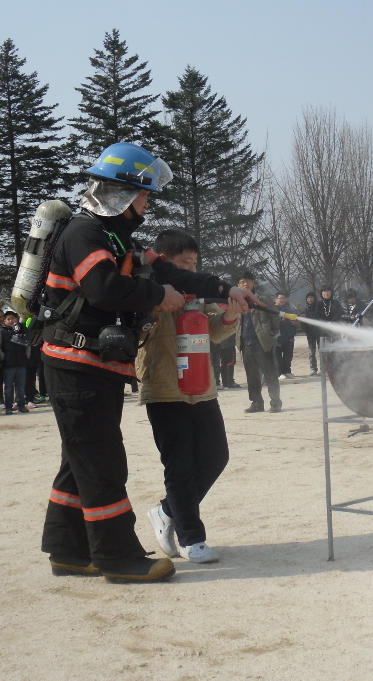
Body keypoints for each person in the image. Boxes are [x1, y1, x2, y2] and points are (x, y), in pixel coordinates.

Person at [37, 141, 257, 584]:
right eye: (144, 195)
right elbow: (102, 289)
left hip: (93, 365)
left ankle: (69, 552)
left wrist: (224, 288)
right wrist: (159, 295)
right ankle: (118, 558)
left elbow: (173, 274)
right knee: (102, 463)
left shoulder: (119, 239)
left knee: (80, 461)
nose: (147, 203)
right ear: (123, 192)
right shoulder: (85, 234)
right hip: (75, 363)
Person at [137, 229, 241, 565]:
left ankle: (166, 511)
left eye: (195, 263)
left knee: (216, 456)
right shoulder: (146, 288)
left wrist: (230, 315)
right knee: (179, 465)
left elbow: (214, 331)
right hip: (165, 388)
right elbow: (136, 330)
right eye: (185, 262)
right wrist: (159, 303)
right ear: (164, 261)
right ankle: (192, 539)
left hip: (201, 387)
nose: (192, 269)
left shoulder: (197, 293)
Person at [236, 272, 282, 414]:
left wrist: (272, 333)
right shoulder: (237, 301)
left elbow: (275, 316)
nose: (245, 284)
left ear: (253, 283)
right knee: (252, 376)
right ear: (238, 285)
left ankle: (275, 402)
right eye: (242, 282)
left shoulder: (262, 299)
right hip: (245, 343)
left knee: (270, 374)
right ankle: (256, 403)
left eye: (248, 281)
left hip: (262, 342)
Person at [0, 310, 29, 414]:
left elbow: (27, 344)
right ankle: (8, 407)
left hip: (21, 362)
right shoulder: (2, 332)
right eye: (8, 319)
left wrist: (27, 355)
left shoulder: (22, 330)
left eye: (13, 318)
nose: (11, 321)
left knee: (21, 387)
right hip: (8, 364)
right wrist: (3, 357)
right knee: (8, 387)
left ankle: (21, 406)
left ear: (16, 319)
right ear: (5, 321)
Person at [274, 291, 297, 379]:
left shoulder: (287, 308)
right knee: (278, 356)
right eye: (280, 298)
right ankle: (279, 373)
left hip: (287, 335)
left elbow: (292, 320)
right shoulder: (273, 309)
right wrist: (277, 338)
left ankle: (287, 371)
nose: (282, 300)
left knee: (288, 355)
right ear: (276, 299)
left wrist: (293, 322)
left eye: (284, 298)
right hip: (277, 336)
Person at [302, 292, 320, 375]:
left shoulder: (319, 308)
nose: (310, 299)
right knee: (311, 352)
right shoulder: (305, 310)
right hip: (310, 334)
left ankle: (323, 368)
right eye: (308, 298)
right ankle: (313, 369)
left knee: (321, 351)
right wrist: (307, 331)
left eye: (311, 297)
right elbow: (303, 322)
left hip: (319, 333)